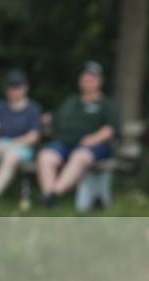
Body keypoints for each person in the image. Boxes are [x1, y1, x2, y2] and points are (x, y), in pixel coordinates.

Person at [37, 61, 120, 208]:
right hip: (65, 144)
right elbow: (53, 117)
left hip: (94, 147)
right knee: (45, 156)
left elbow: (110, 130)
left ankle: (54, 194)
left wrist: (93, 138)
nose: (88, 81)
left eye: (92, 78)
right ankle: (49, 196)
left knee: (79, 156)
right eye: (85, 78)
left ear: (100, 81)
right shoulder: (71, 101)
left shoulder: (106, 104)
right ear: (80, 81)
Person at [0, 69, 42, 212]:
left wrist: (12, 144)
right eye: (11, 87)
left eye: (17, 87)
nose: (14, 91)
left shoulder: (33, 109)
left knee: (11, 158)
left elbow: (33, 136)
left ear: (25, 88)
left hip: (21, 146)